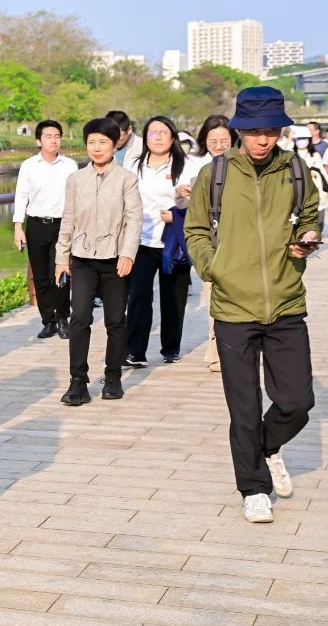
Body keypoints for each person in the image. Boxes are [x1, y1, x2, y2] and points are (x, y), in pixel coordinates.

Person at [185, 86, 320, 524]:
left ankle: (267, 446)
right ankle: (254, 488)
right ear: (239, 130)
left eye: (272, 131)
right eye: (255, 131)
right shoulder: (215, 174)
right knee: (243, 407)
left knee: (297, 401)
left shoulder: (295, 170)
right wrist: (213, 268)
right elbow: (196, 229)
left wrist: (308, 239)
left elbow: (311, 216)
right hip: (232, 309)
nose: (263, 139)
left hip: (285, 302)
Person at [55, 117, 142, 405]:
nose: (96, 147)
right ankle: (77, 381)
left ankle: (113, 377)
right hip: (82, 259)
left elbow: (134, 219)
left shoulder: (127, 179)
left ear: (115, 144)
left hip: (115, 259)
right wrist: (61, 259)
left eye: (103, 142)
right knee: (80, 317)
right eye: (91, 142)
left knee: (115, 320)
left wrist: (128, 254)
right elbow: (67, 219)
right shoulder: (75, 180)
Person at [124, 116, 193, 367]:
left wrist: (178, 213)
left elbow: (199, 202)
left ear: (172, 137)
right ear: (145, 138)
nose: (158, 137)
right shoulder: (134, 165)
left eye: (164, 132)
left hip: (174, 241)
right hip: (141, 240)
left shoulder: (186, 166)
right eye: (153, 133)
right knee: (139, 296)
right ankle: (135, 351)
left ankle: (170, 349)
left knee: (173, 298)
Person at [13, 120, 79, 340]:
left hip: (62, 226)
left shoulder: (70, 165)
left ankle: (63, 318)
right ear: (38, 141)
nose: (53, 140)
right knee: (41, 276)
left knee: (60, 273)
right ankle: (48, 321)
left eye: (57, 136)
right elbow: (21, 196)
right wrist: (18, 226)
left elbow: (76, 197)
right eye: (48, 136)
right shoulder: (29, 166)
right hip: (36, 225)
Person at [182, 115, 237, 373]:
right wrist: (180, 193)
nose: (218, 145)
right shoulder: (198, 169)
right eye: (212, 140)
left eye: (223, 140)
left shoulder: (243, 167)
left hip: (241, 246)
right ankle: (217, 353)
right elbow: (188, 213)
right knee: (214, 301)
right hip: (212, 247)